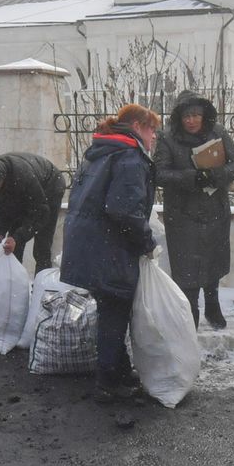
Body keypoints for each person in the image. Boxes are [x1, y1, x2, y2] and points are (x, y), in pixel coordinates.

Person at [60, 104, 162, 403]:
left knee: (110, 306)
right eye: (152, 129)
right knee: (115, 309)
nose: (154, 136)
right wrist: (146, 242)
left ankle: (118, 370)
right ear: (137, 126)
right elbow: (123, 209)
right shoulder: (129, 156)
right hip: (109, 245)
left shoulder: (101, 151)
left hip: (88, 242)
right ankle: (107, 380)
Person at [153, 91, 234, 329]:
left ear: (204, 115)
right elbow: (158, 173)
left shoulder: (218, 132)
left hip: (215, 208)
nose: (192, 120)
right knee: (186, 266)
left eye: (196, 115)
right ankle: (190, 309)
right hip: (182, 212)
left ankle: (212, 304)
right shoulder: (167, 138)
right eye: (186, 116)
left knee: (213, 260)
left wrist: (216, 175)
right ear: (179, 118)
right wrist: (190, 177)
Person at [0, 152, 66, 275]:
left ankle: (41, 285)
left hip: (51, 185)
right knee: (11, 245)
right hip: (24, 192)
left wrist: (17, 238)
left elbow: (41, 213)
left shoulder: (22, 177)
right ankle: (12, 284)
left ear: (2, 177)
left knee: (42, 244)